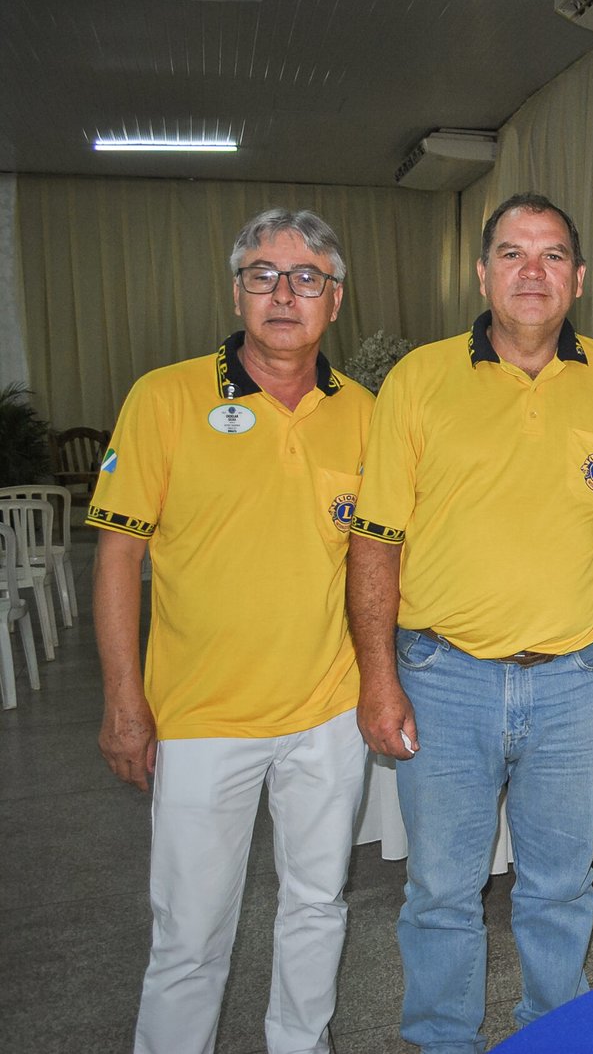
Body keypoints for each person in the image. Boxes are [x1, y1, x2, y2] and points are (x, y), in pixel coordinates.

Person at [347, 192, 593, 1049]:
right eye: (513, 253)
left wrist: (589, 544)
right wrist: (377, 677)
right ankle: (443, 1038)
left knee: (561, 885)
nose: (533, 271)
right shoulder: (419, 381)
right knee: (442, 891)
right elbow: (375, 541)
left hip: (579, 679)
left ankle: (552, 1034)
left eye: (553, 254)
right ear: (483, 273)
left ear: (579, 278)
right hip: (443, 677)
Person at [91, 208, 372, 1054]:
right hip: (201, 716)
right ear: (236, 291)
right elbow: (117, 555)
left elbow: (379, 558)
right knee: (190, 931)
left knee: (317, 906)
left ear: (335, 298)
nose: (284, 294)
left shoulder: (365, 412)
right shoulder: (165, 397)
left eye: (306, 277)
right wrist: (124, 700)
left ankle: (300, 1043)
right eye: (263, 275)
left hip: (329, 712)